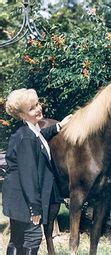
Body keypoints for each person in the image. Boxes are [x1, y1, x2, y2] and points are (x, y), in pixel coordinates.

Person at [2, 88, 71, 255]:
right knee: (32, 237)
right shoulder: (26, 138)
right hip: (25, 199)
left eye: (37, 104)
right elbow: (28, 177)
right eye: (32, 108)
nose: (38, 108)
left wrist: (59, 126)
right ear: (22, 115)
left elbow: (40, 138)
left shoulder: (30, 132)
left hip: (17, 196)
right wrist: (35, 209)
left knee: (18, 240)